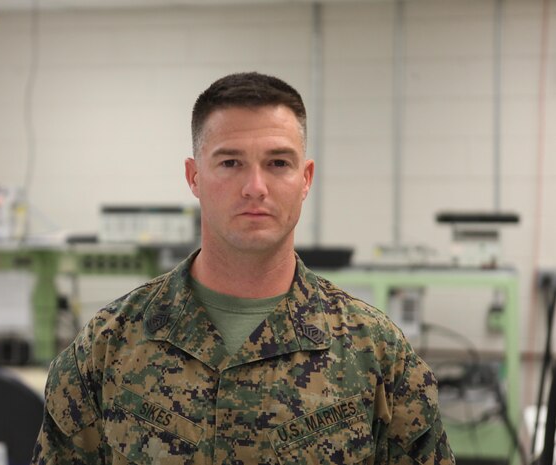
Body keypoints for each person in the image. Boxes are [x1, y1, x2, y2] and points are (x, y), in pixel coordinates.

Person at [31, 72, 455, 465]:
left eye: (278, 163)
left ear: (305, 179)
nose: (255, 186)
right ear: (194, 177)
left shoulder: (376, 353)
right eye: (230, 162)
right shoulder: (108, 346)